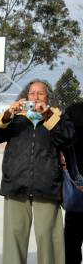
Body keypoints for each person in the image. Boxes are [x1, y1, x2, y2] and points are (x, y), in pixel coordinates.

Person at [0, 79, 75, 264]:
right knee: (14, 237)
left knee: (47, 236)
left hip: (47, 184)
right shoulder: (16, 117)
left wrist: (48, 114)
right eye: (32, 93)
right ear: (26, 95)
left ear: (48, 97)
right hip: (16, 183)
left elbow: (67, 138)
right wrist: (8, 114)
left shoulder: (57, 115)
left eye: (40, 93)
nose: (35, 97)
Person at [63, 101, 83, 264]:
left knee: (72, 240)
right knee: (72, 240)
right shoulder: (74, 110)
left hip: (77, 181)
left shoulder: (72, 110)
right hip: (78, 183)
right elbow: (64, 140)